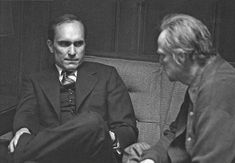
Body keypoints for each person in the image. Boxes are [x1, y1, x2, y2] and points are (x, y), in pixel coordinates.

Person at [8, 14, 138, 163]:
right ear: (51, 46)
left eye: (78, 44)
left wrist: (106, 136)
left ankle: (24, 151)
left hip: (95, 156)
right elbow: (25, 116)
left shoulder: (107, 75)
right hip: (51, 158)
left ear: (85, 44)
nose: (72, 52)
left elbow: (127, 128)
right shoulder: (35, 80)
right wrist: (22, 129)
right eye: (64, 44)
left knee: (93, 121)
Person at [124, 14, 235, 163]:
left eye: (163, 56)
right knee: (138, 152)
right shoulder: (200, 79)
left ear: (181, 56)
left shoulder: (217, 89)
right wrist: (150, 160)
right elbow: (175, 133)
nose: (160, 62)